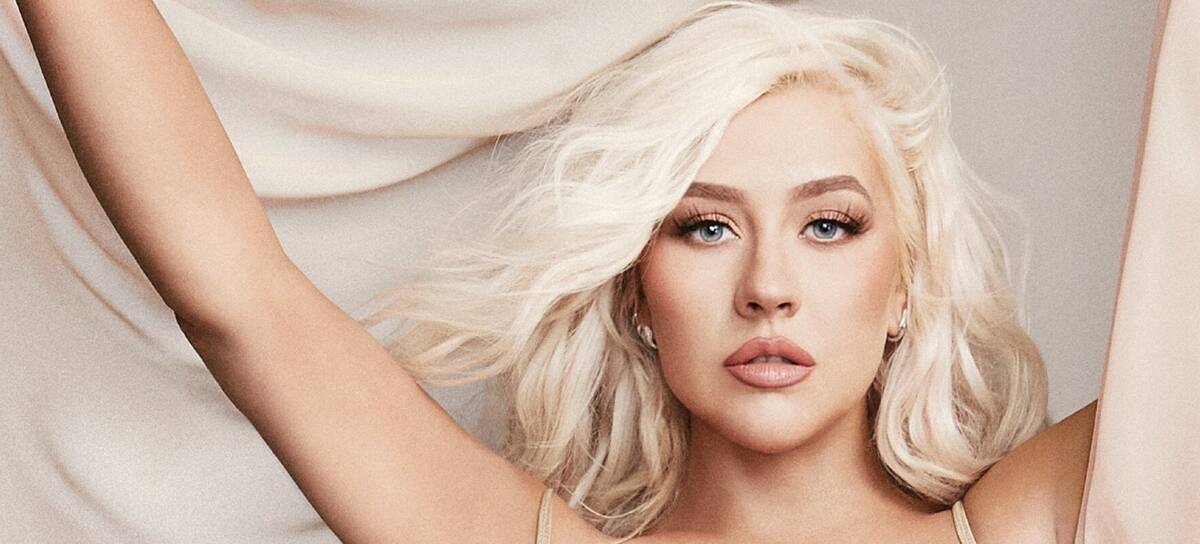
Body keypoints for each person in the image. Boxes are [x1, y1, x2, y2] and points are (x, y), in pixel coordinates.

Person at [13, 0, 1190, 542]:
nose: (768, 286)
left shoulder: (1046, 522)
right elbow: (237, 292)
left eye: (830, 225)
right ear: (636, 293)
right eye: (704, 228)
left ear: (910, 289)